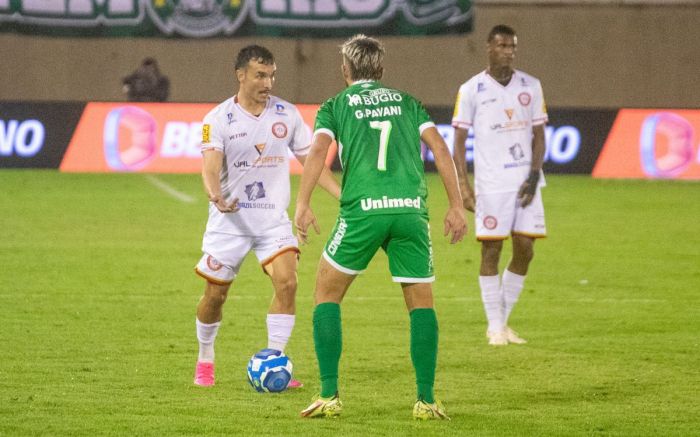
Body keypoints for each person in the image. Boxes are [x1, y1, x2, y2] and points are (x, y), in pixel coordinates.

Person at [294, 34, 466, 420]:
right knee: (421, 304)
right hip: (409, 210)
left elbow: (319, 152)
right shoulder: (408, 102)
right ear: (382, 70)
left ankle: (328, 395)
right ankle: (425, 400)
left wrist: (303, 203)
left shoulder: (335, 105)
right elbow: (440, 148)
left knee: (326, 293)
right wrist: (455, 205)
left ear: (345, 70)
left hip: (363, 210)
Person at [192, 45, 340, 387]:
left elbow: (312, 162)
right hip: (230, 223)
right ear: (240, 75)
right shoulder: (217, 119)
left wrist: (343, 197)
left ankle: (275, 363)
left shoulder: (286, 115)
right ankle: (205, 357)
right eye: (260, 75)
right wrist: (215, 195)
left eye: (272, 75)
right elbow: (210, 167)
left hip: (272, 221)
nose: (268, 82)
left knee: (287, 283)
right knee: (215, 296)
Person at [452, 24, 548, 346]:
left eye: (513, 46)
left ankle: (502, 323)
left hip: (525, 182)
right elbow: (458, 141)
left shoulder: (531, 86)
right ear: (489, 48)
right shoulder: (471, 89)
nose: (508, 51)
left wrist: (534, 176)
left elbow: (539, 135)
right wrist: (464, 188)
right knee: (491, 249)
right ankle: (495, 326)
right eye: (503, 45)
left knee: (526, 249)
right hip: (491, 184)